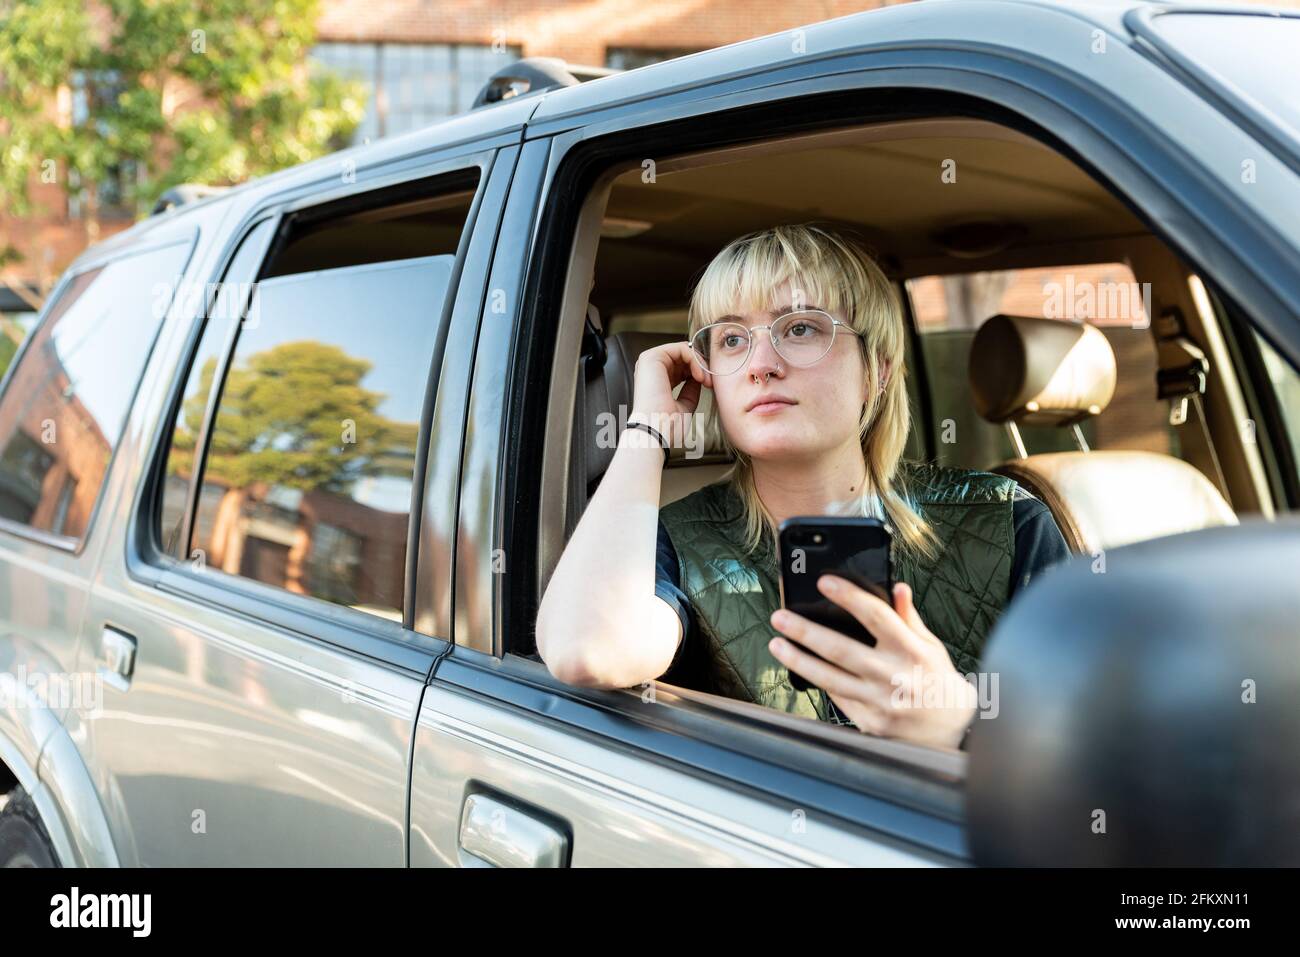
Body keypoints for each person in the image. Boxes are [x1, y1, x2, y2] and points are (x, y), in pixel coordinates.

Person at [535, 223, 1069, 750]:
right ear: (709, 374)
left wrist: (960, 727)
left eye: (800, 329)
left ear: (877, 370)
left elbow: (1089, 748)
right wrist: (648, 428)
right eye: (732, 339)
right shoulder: (673, 542)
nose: (761, 366)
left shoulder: (1006, 520)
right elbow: (585, 651)